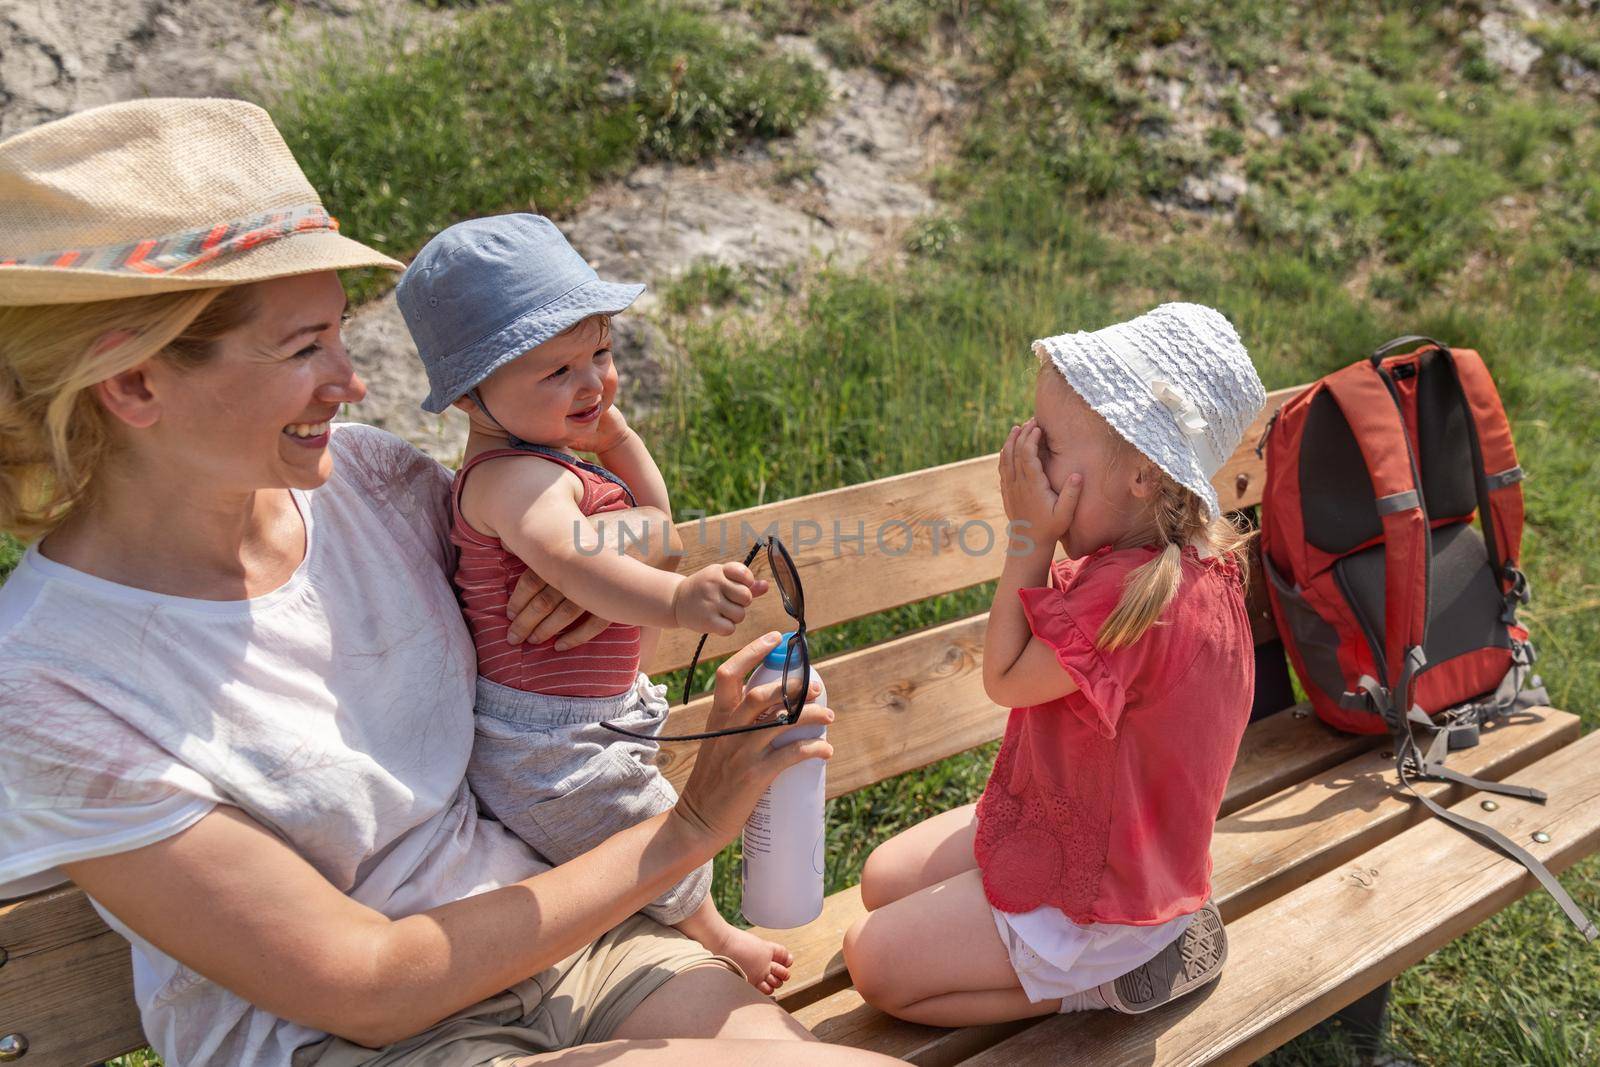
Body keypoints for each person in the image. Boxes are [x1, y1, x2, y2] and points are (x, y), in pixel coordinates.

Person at [0, 97, 897, 1067]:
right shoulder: (51, 679)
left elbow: (597, 546)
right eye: (304, 347)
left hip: (572, 946)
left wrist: (590, 568)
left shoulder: (375, 483)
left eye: (341, 334)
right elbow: (371, 986)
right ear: (133, 385)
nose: (353, 382)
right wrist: (691, 822)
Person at [393, 214, 793, 994]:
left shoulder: (547, 455)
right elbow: (578, 562)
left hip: (582, 716)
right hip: (543, 743)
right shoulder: (512, 479)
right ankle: (717, 936)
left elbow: (658, 520)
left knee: (638, 816)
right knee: (641, 827)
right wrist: (677, 599)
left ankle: (681, 925)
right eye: (557, 369)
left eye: (601, 353)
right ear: (472, 395)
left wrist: (615, 440)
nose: (594, 382)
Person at [842, 303, 1266, 1026]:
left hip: (1106, 898)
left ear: (1141, 474)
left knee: (871, 959)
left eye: (1051, 445)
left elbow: (1004, 675)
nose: (1028, 456)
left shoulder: (1130, 597)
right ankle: (1118, 949)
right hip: (1102, 834)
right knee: (882, 878)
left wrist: (1026, 537)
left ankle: (1101, 980)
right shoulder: (1185, 563)